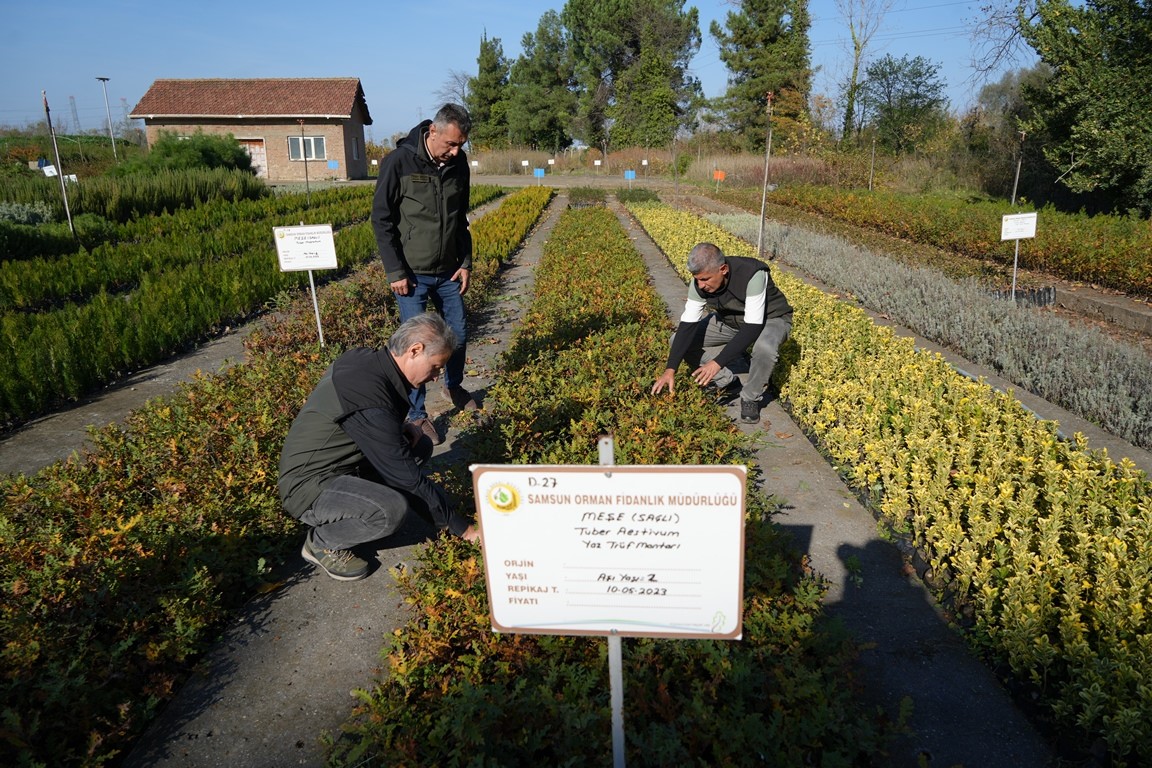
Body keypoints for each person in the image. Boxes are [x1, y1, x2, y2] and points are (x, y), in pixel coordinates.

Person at [278, 313, 481, 582]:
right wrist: (463, 529)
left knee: (419, 445)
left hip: (341, 465)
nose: (435, 377)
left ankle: (364, 500)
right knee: (390, 510)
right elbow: (407, 477)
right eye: (435, 367)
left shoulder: (366, 360)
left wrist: (396, 428)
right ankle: (322, 541)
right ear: (414, 350)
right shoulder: (368, 397)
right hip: (309, 487)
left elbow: (362, 419)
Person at [371, 102, 477, 447]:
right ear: (433, 131)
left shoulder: (458, 164)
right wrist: (395, 270)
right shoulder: (398, 161)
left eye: (461, 144)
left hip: (448, 271)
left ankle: (453, 385)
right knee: (415, 350)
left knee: (457, 332)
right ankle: (416, 414)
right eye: (450, 143)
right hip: (411, 275)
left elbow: (461, 217)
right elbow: (382, 220)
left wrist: (465, 262)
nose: (455, 151)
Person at [651, 242, 793, 425]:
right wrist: (670, 369)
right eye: (697, 279)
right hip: (730, 320)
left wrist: (716, 362)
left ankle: (750, 397)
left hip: (770, 318)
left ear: (723, 269)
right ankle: (727, 382)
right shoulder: (699, 283)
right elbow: (687, 326)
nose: (700, 285)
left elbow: (752, 327)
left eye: (706, 279)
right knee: (676, 339)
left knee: (764, 348)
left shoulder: (752, 274)